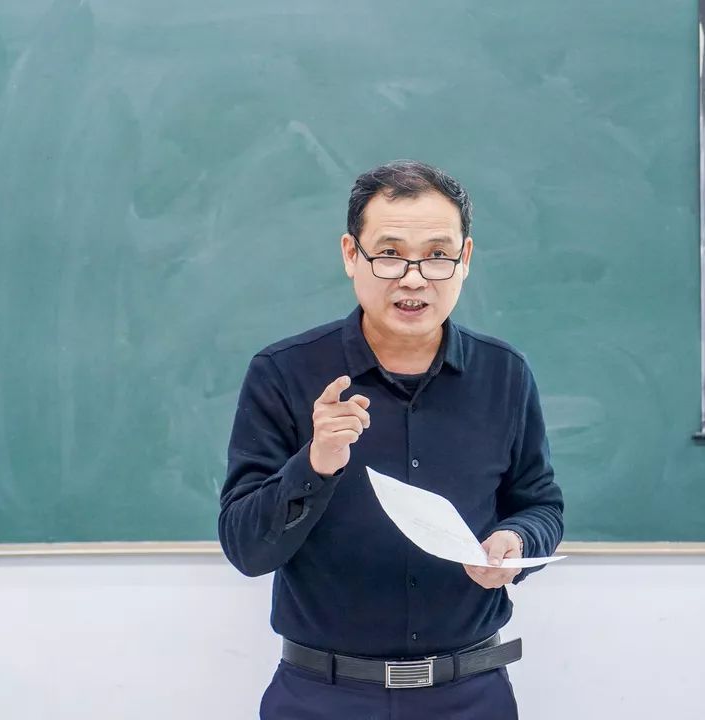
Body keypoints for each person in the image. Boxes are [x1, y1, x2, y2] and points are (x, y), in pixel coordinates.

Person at [219, 160, 564, 719]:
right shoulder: (283, 374)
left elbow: (540, 504)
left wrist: (517, 541)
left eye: (437, 254)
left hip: (469, 694)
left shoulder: (505, 374)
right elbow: (246, 549)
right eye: (390, 253)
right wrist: (316, 463)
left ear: (465, 259)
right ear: (351, 255)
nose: (414, 278)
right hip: (323, 697)